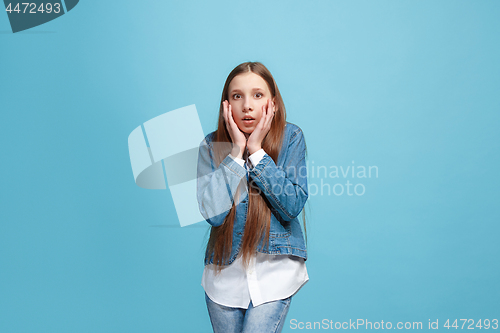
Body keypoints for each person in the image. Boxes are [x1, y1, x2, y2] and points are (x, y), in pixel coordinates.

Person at [196, 61, 309, 333]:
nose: (247, 105)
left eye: (257, 95)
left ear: (273, 104)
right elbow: (213, 213)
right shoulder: (212, 146)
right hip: (223, 278)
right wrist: (236, 154)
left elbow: (291, 206)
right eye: (238, 96)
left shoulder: (291, 137)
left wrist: (257, 152)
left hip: (275, 272)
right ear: (227, 105)